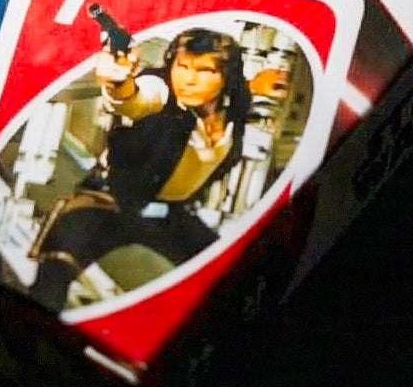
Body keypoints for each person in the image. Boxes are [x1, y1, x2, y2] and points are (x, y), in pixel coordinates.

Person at [30, 27, 252, 309]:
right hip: (109, 201)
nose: (188, 80)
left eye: (204, 70)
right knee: (56, 264)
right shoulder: (163, 90)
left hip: (170, 214)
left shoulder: (234, 111)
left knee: (229, 277)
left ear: (226, 77)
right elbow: (138, 99)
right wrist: (119, 83)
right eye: (182, 66)